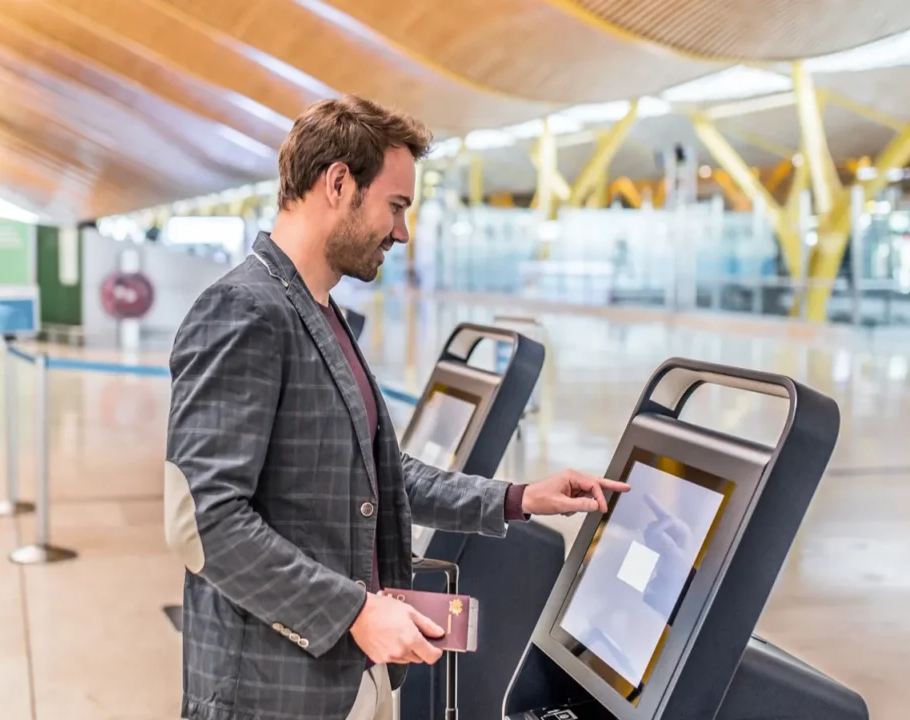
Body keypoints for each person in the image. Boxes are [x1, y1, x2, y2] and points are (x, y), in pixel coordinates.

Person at [164, 94, 629, 720]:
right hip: (271, 694)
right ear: (337, 184)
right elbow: (204, 521)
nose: (402, 232)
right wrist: (352, 611)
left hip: (351, 678)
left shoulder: (318, 312)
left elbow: (380, 473)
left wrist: (518, 498)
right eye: (396, 206)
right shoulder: (246, 310)